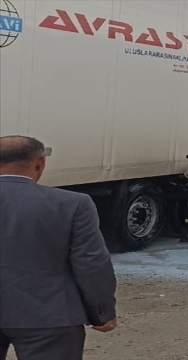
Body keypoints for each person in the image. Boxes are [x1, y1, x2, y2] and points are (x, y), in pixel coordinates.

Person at [0, 135, 117, 360]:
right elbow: (91, 263)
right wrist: (102, 311)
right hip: (49, 316)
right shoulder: (72, 204)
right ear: (39, 163)